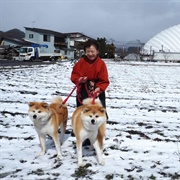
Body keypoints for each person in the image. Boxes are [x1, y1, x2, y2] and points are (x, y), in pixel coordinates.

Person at [71, 39, 110, 110]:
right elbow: (74, 75)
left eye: (92, 51)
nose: (90, 54)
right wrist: (79, 79)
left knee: (99, 113)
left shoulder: (101, 64)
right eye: (88, 51)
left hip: (97, 91)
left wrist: (99, 89)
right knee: (82, 112)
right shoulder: (81, 62)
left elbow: (104, 80)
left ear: (97, 51)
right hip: (83, 91)